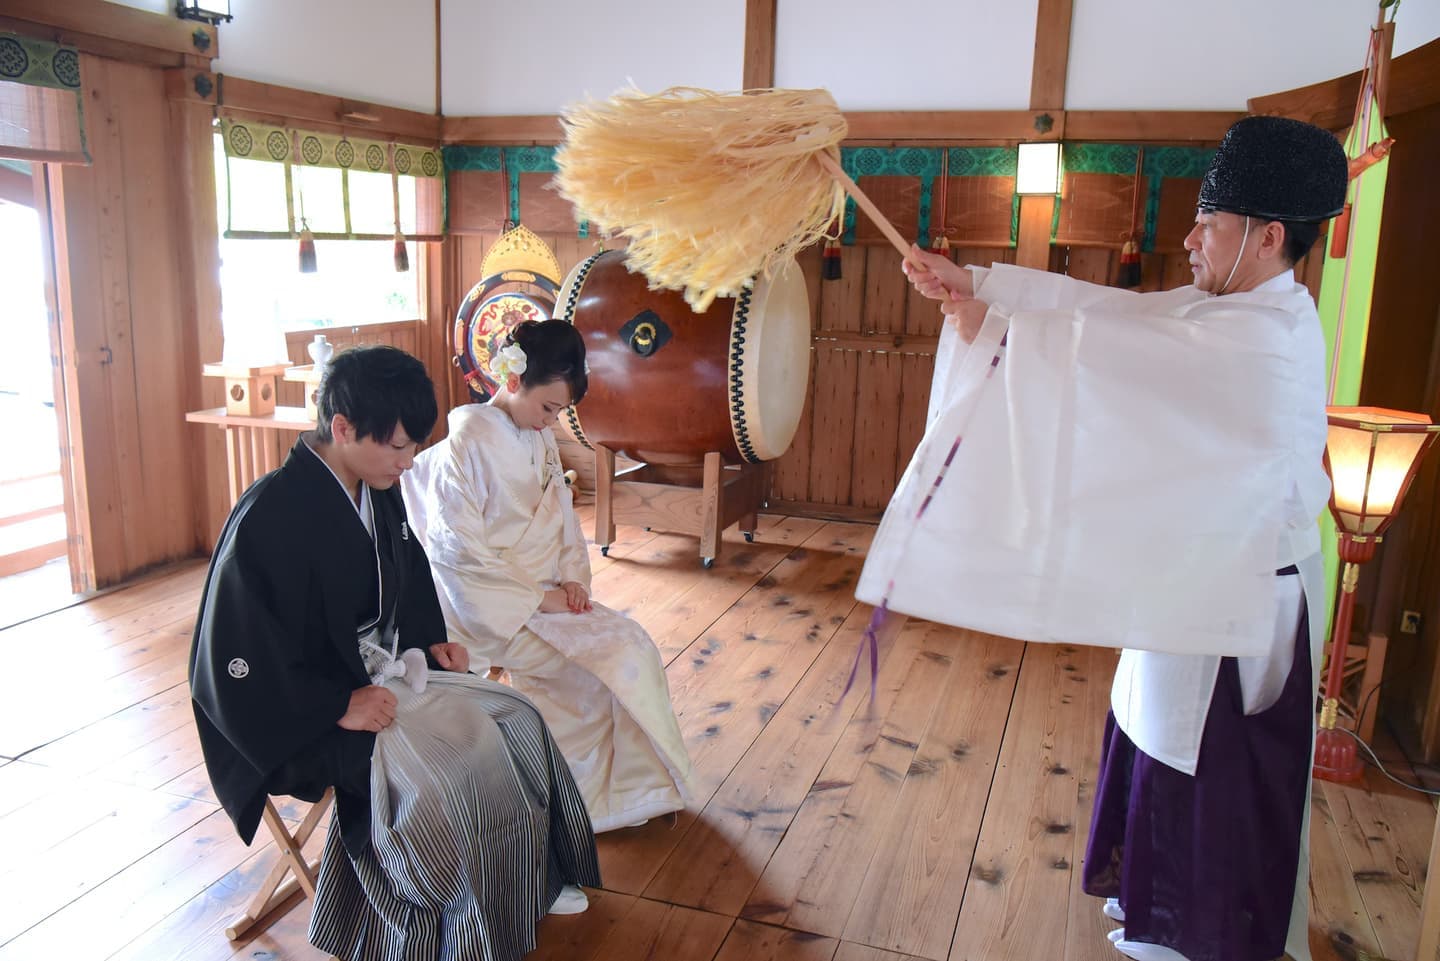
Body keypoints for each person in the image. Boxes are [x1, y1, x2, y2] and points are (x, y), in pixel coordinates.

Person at [858, 116, 1348, 961]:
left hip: (1238, 602)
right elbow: (1110, 314)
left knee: (1212, 774)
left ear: (1269, 237)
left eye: (1212, 223)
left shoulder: (1265, 337)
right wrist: (972, 283)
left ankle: (1198, 932)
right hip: (1197, 576)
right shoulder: (1232, 308)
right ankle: (1159, 907)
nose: (1191, 239)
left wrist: (991, 323)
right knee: (1160, 737)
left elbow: (1105, 355)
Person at [188, 345, 601, 961]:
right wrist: (337, 705)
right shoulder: (270, 518)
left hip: (381, 672)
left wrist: (431, 639)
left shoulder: (374, 483)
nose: (411, 464)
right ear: (343, 428)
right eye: (400, 447)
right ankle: (453, 928)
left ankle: (530, 883)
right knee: (445, 776)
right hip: (301, 714)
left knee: (516, 721)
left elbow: (407, 575)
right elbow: (236, 659)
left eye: (414, 448)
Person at [402, 319, 693, 833]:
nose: (549, 422)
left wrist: (571, 577)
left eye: (558, 413)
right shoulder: (465, 447)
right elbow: (458, 556)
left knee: (631, 646)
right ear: (512, 381)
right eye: (547, 408)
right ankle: (586, 802)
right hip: (490, 608)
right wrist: (538, 600)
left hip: (544, 594)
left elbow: (560, 511)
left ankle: (626, 792)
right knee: (607, 663)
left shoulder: (534, 435)